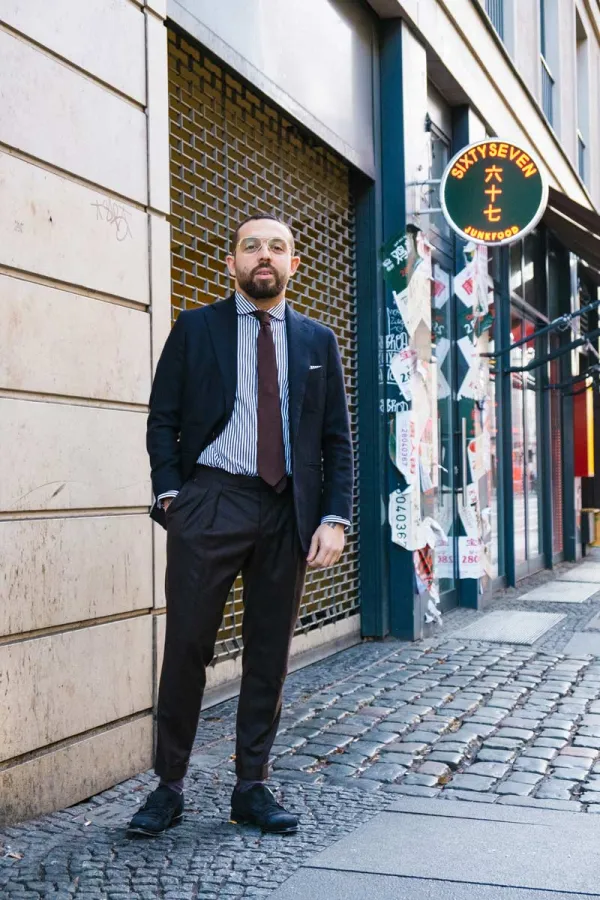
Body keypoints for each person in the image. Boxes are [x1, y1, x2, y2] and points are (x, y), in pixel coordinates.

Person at [128, 214, 353, 838]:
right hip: (212, 503)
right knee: (187, 648)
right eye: (251, 246)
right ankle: (168, 787)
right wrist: (174, 496)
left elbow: (336, 439)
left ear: (293, 265)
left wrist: (334, 517)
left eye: (277, 248)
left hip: (288, 510)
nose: (264, 256)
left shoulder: (318, 341)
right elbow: (161, 417)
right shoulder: (197, 328)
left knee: (268, 655)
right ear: (231, 262)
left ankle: (251, 786)